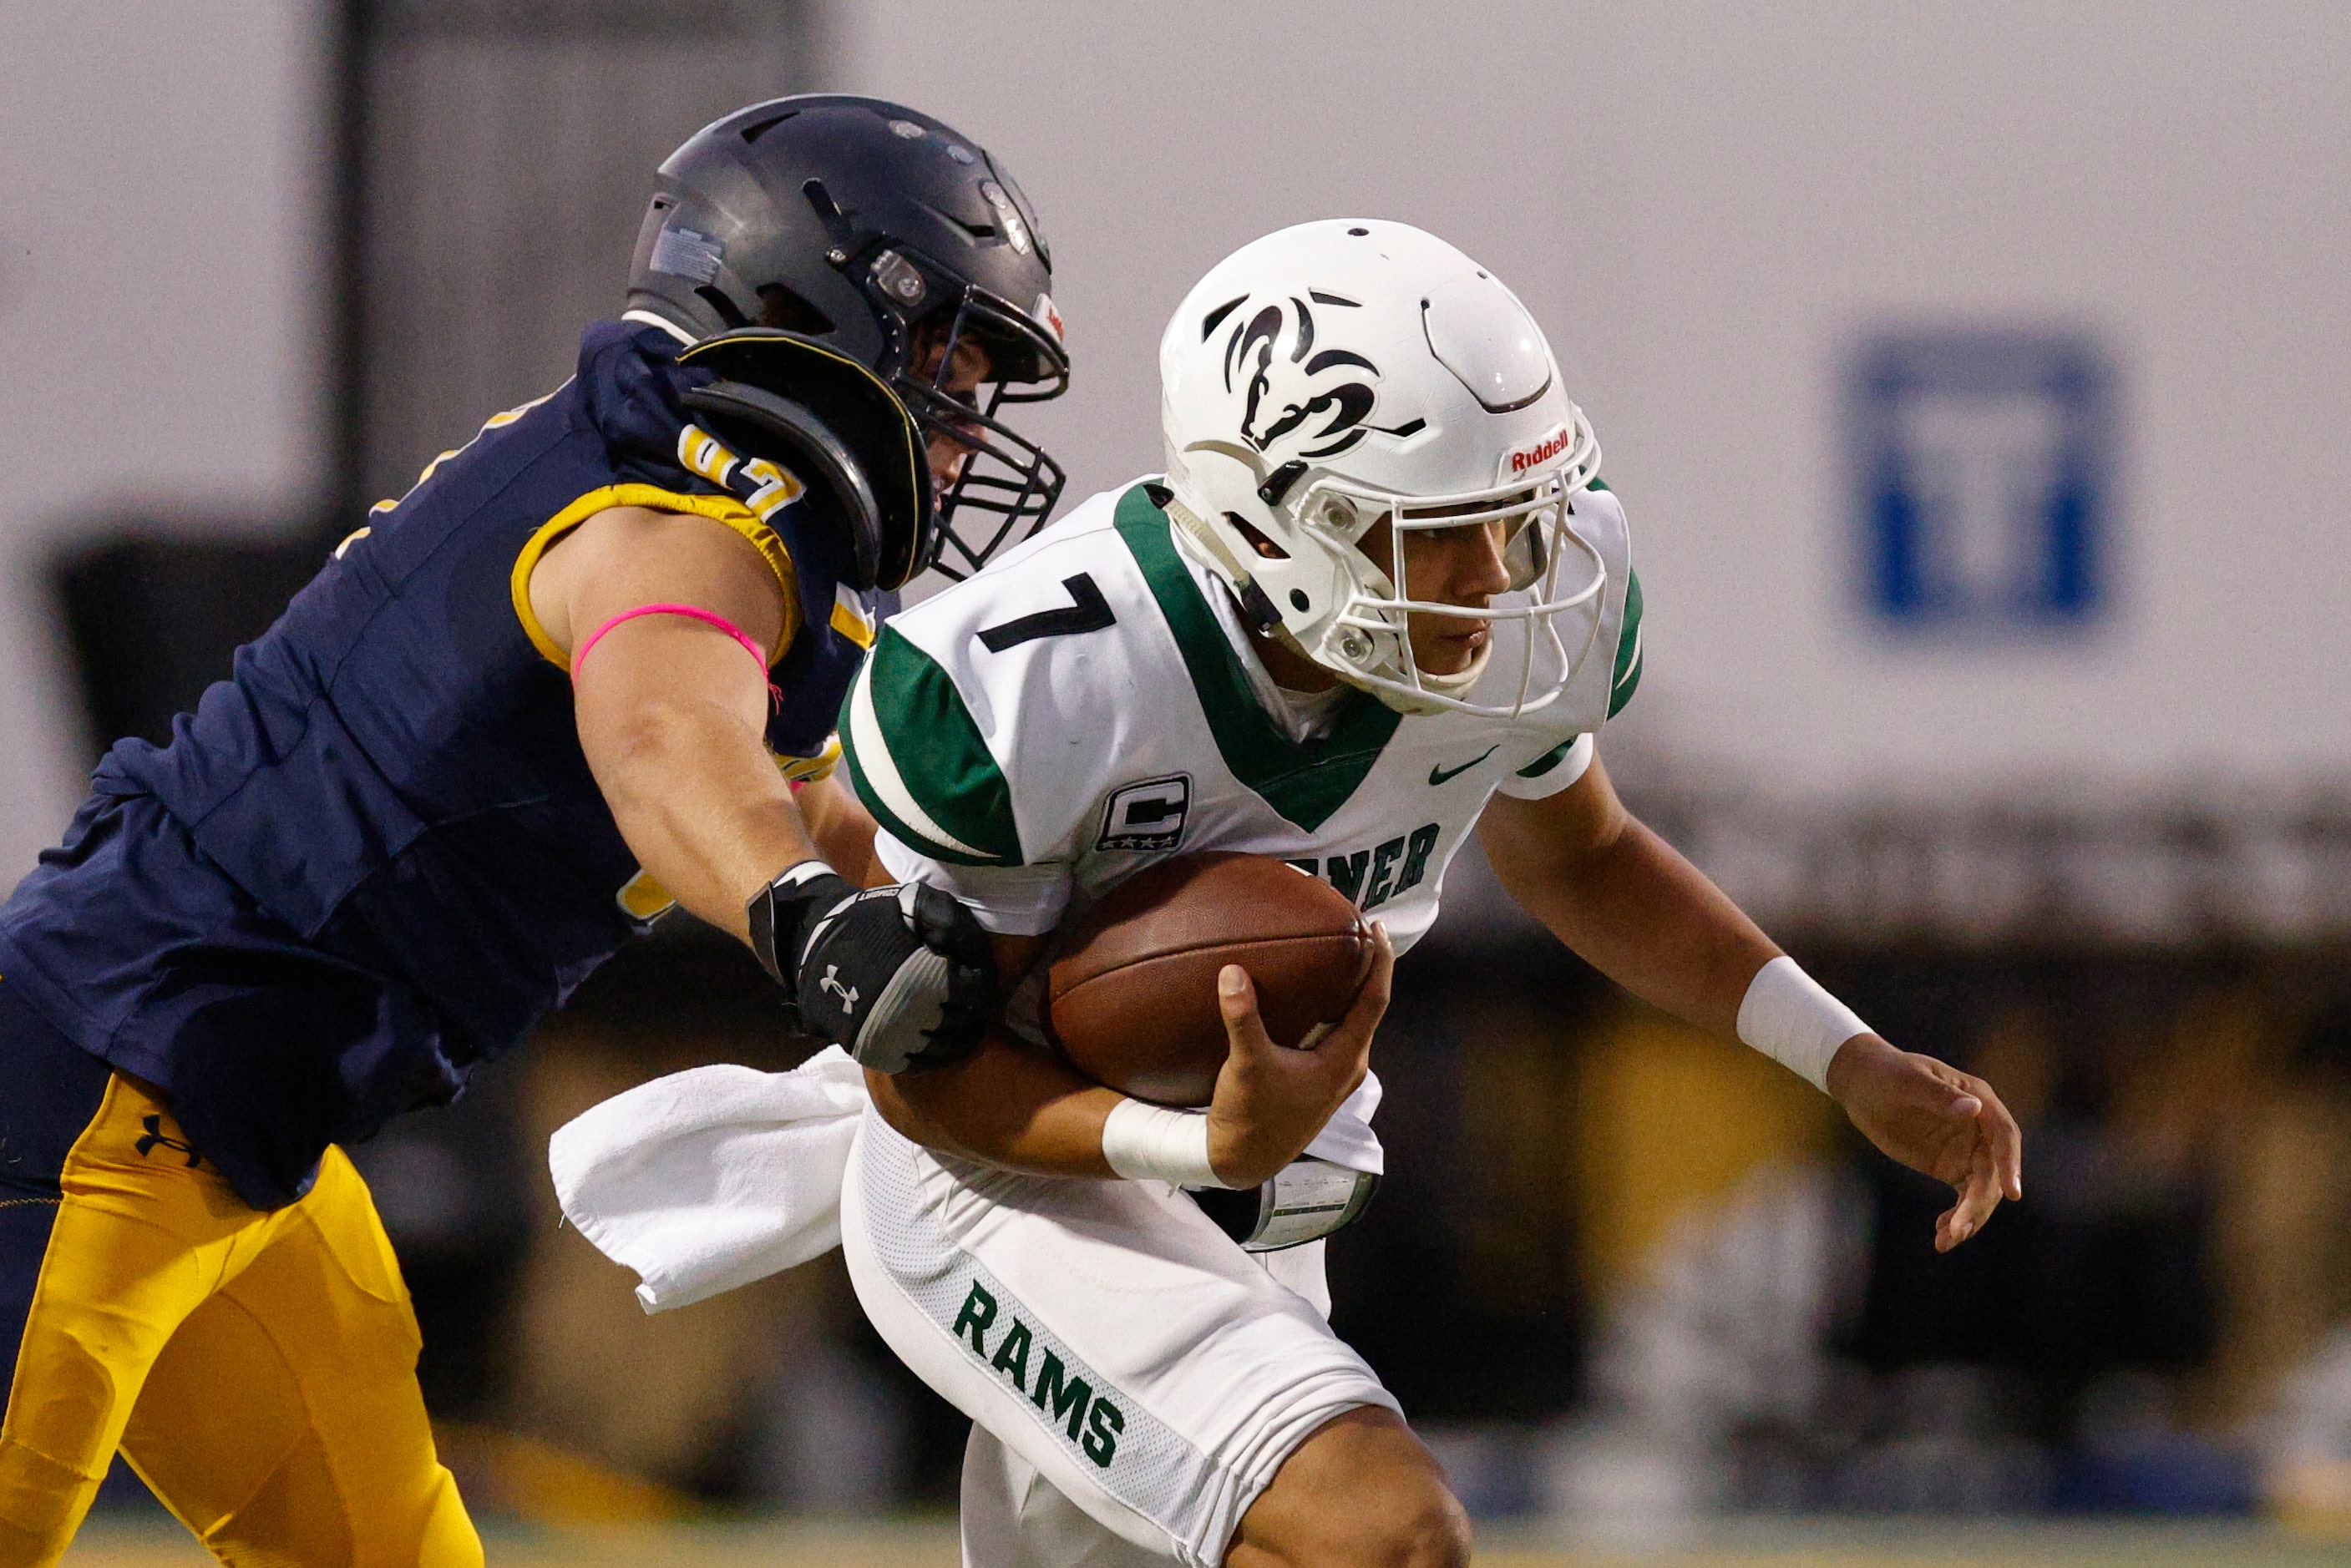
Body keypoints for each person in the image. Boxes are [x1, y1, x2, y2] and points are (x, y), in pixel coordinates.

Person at [829, 220, 2026, 1568]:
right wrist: (1194, 1146)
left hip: (1256, 1188)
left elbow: (1581, 853)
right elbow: (921, 1083)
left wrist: (1847, 1056)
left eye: (1516, 519)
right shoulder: (1035, 677)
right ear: (1273, 520)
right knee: (1388, 1535)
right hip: (1000, 1183)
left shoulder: (1499, 626)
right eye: (1440, 535)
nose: (1501, 575)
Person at [0, 94, 1061, 1565]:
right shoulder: (690, 512)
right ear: (803, 299)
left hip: (239, 1137)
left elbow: (813, 794)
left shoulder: (739, 529)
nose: (966, 423)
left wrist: (1031, 957)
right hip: (88, 1105)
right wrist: (811, 919)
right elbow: (661, 735)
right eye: (950, 357)